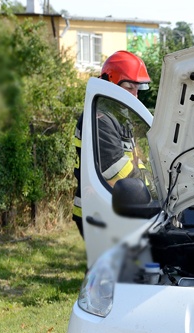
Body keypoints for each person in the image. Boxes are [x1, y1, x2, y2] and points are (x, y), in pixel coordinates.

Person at [73, 50, 152, 238]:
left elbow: (132, 159)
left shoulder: (117, 116)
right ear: (110, 83)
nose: (135, 95)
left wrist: (148, 174)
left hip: (114, 206)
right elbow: (116, 172)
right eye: (129, 87)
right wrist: (153, 187)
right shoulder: (100, 119)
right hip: (98, 211)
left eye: (137, 89)